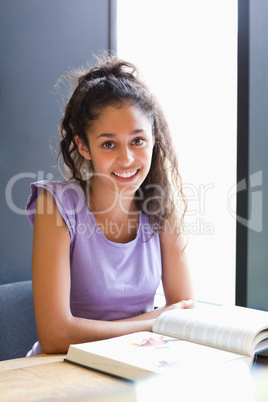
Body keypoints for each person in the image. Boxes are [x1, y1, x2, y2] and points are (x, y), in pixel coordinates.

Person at [26, 54, 195, 356]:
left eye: (137, 141)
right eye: (108, 144)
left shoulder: (161, 208)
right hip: (60, 374)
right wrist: (152, 321)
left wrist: (157, 321)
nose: (127, 159)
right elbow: (54, 335)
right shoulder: (56, 206)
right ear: (82, 146)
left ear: (154, 139)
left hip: (136, 368)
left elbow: (183, 313)